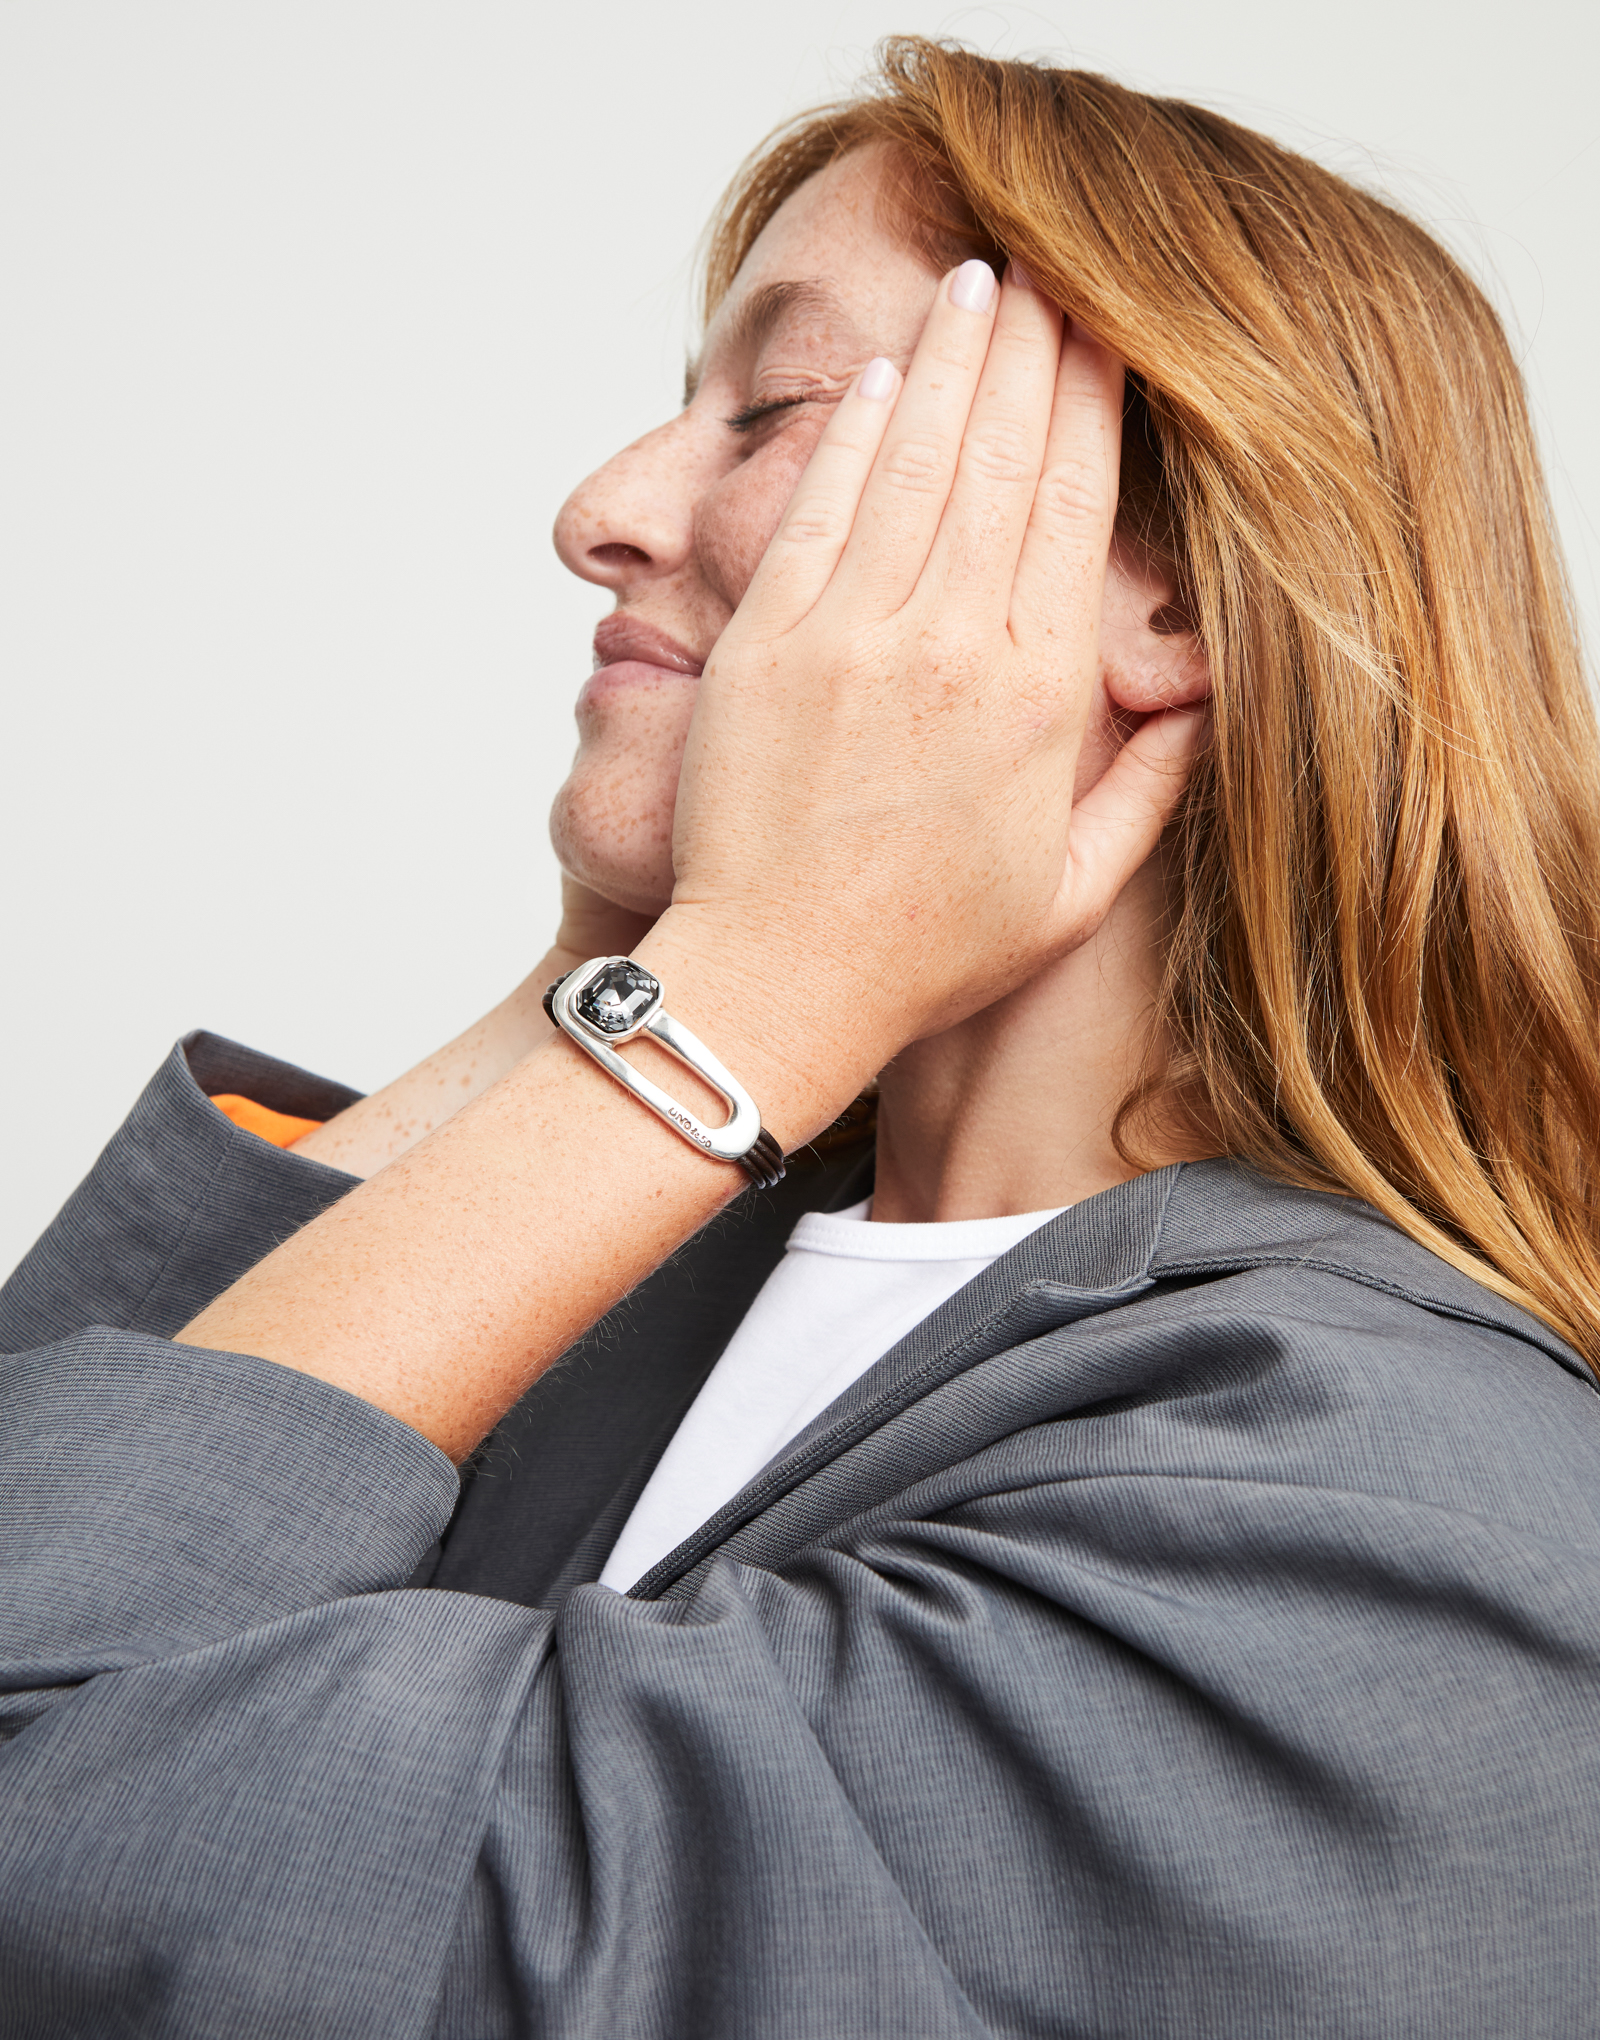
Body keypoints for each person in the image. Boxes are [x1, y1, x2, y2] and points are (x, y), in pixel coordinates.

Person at [4, 35, 1600, 2038]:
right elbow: (78, 1493)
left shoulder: (1377, 1524)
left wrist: (754, 977)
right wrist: (634, 968)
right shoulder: (650, 1265)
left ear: (1174, 593)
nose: (599, 511)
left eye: (776, 411)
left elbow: (54, 1824)